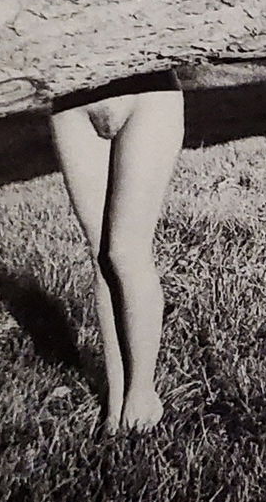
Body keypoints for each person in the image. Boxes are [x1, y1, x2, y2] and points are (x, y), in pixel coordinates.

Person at [48, 69, 184, 434]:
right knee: (101, 256)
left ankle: (142, 394)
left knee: (126, 252)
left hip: (147, 95)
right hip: (72, 100)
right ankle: (116, 398)